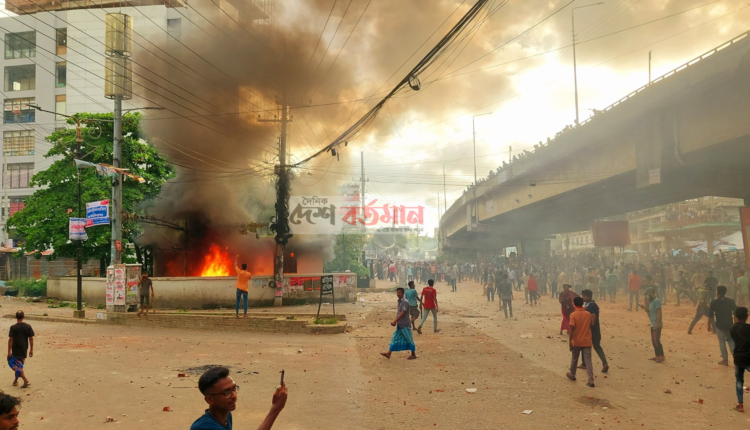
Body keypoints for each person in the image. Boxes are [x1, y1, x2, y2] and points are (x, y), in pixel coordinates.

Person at [191, 366, 287, 430]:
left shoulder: (226, 415)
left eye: (234, 389)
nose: (234, 396)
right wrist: (275, 409)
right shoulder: (203, 428)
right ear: (209, 399)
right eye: (227, 392)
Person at [566, 297, 595, 388]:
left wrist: (570, 341)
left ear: (574, 304)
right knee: (588, 361)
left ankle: (572, 375)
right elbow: (592, 324)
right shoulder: (588, 314)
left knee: (574, 359)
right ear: (582, 303)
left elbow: (571, 328)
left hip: (577, 341)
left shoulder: (573, 315)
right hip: (587, 340)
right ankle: (591, 380)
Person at [381, 288, 417, 360]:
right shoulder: (400, 301)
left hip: (405, 324)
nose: (398, 294)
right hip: (400, 324)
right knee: (395, 338)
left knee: (409, 339)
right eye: (397, 292)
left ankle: (413, 354)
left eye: (399, 292)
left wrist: (395, 321)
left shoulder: (405, 302)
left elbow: (403, 312)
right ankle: (389, 353)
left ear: (403, 293)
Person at [578, 289, 609, 373]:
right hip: (596, 330)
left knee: (584, 346)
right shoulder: (594, 304)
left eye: (584, 296)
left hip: (589, 330)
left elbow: (592, 316)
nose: (583, 297)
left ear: (589, 297)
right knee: (597, 346)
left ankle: (584, 363)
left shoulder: (589, 306)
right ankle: (604, 362)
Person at [708, 285, 737, 366]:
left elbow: (710, 315)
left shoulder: (714, 302)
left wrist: (708, 325)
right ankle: (736, 357)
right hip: (730, 324)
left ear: (717, 292)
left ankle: (725, 360)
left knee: (722, 342)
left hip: (719, 325)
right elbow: (736, 313)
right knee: (730, 340)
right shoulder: (731, 301)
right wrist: (736, 323)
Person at [730, 307, 750, 413]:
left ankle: (740, 405)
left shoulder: (732, 329)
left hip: (738, 356)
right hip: (749, 357)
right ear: (747, 316)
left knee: (739, 380)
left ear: (735, 316)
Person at [7, 311, 33, 388]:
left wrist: (9, 351)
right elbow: (31, 339)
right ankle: (15, 381)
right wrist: (31, 349)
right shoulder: (28, 326)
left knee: (14, 365)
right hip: (24, 348)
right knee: (19, 366)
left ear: (16, 317)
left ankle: (25, 380)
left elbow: (11, 340)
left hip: (16, 349)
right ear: (23, 316)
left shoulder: (13, 327)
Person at [639, 288, 665, 362]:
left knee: (656, 340)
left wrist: (657, 323)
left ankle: (660, 356)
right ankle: (658, 355)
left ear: (651, 292)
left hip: (656, 323)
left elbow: (659, 312)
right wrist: (644, 307)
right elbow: (651, 311)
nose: (647, 296)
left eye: (648, 294)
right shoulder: (652, 301)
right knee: (654, 340)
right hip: (653, 323)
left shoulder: (656, 301)